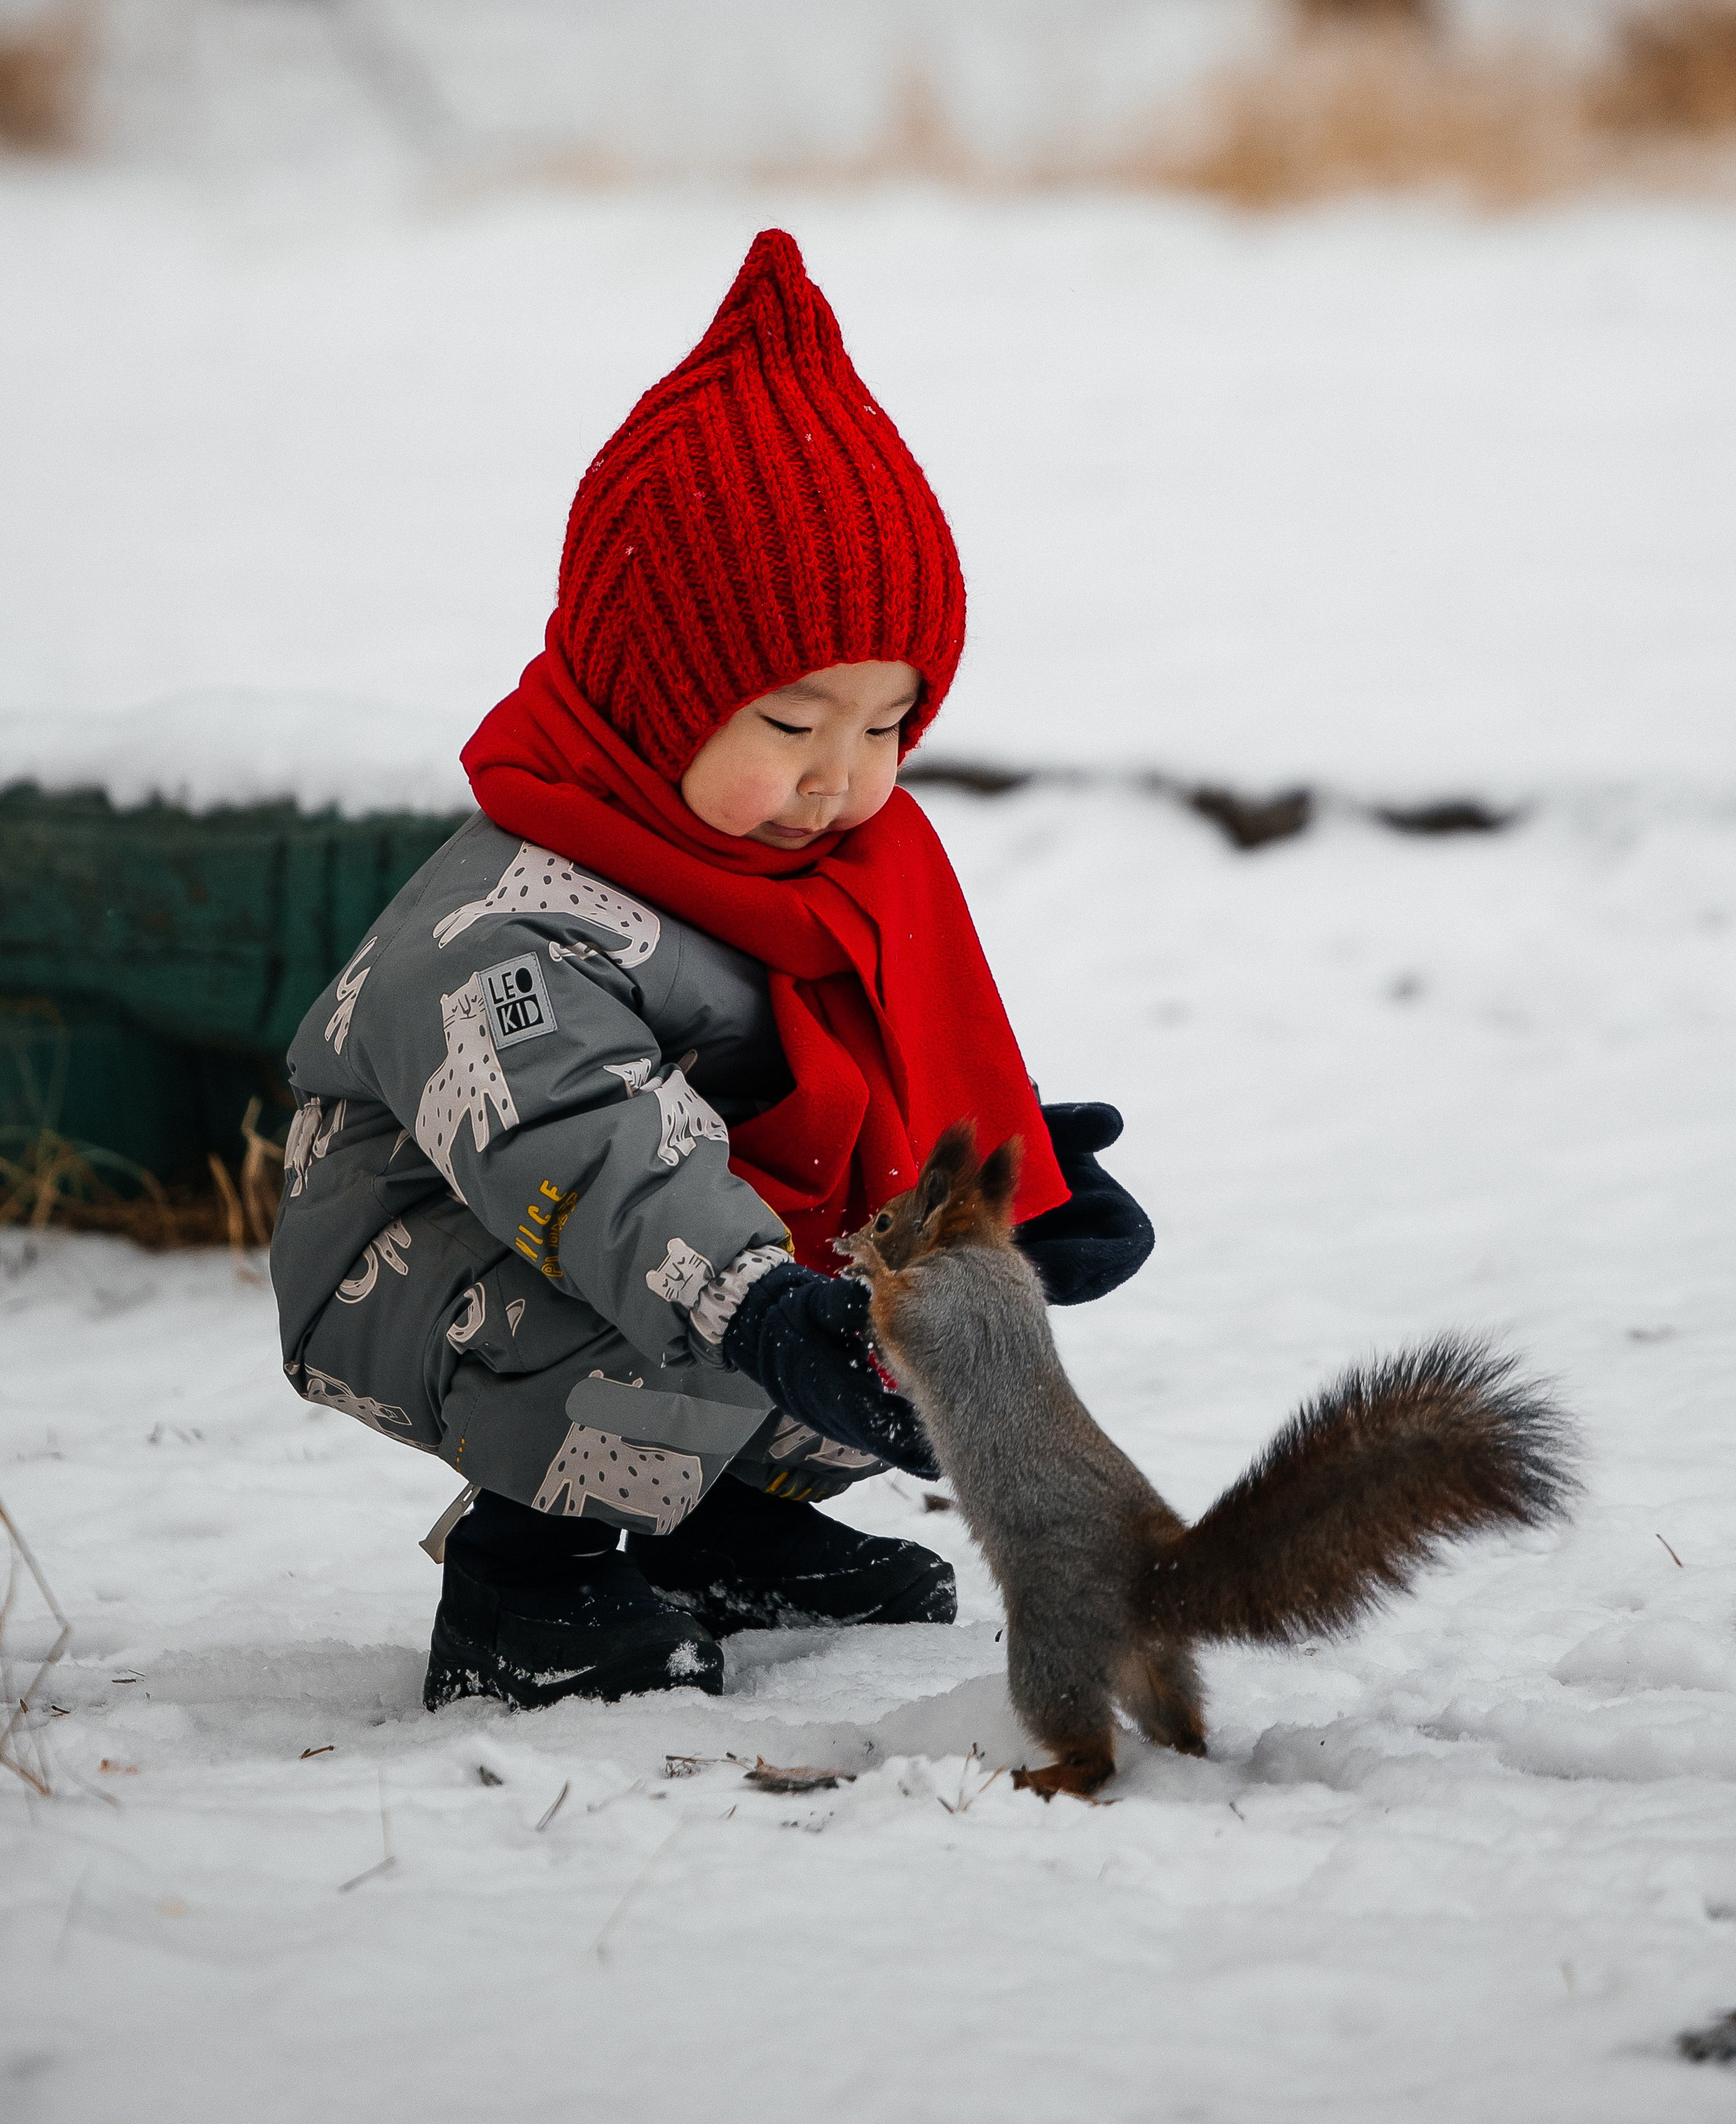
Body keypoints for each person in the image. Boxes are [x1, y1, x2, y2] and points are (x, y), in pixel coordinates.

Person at [270, 230, 1153, 1712]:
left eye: (886, 727)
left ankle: (718, 1525)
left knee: (881, 1294)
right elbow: (594, 1156)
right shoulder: (509, 924)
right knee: (709, 1294)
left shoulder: (812, 870)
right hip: (446, 1259)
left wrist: (993, 1186)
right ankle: (528, 1580)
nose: (844, 781)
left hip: (672, 1232)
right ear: (655, 696)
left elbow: (838, 1088)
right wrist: (760, 1302)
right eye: (792, 725)